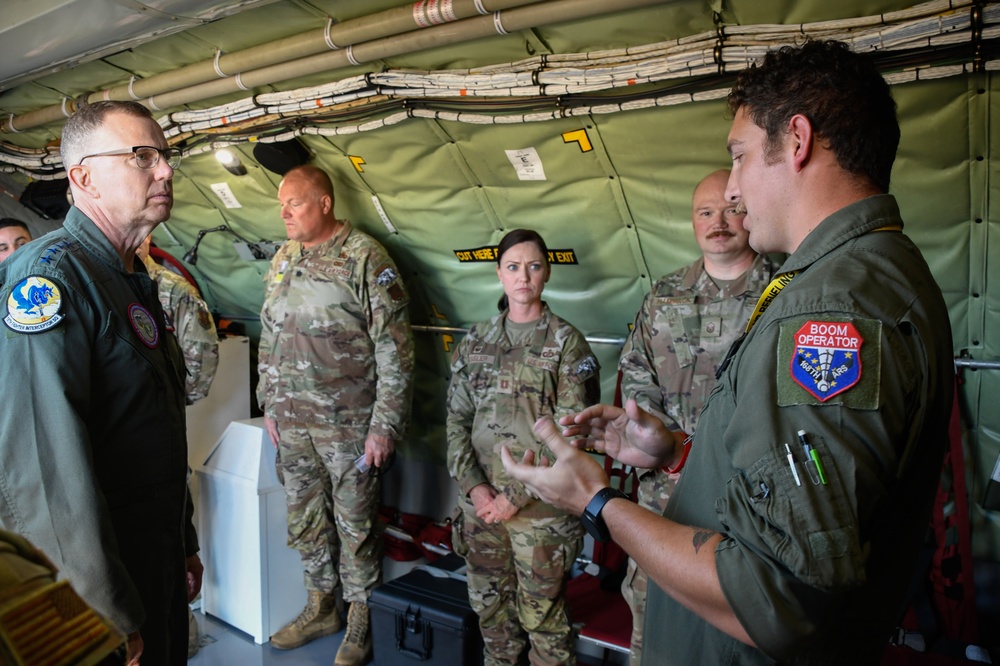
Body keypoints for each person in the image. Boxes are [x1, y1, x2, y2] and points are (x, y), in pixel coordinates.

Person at [502, 39, 954, 665]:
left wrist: (597, 501)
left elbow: (775, 595)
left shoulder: (828, 312)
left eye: (739, 157)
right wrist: (679, 452)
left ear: (797, 140)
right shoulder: (872, 273)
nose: (734, 193)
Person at [0, 100, 202, 666]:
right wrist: (98, 611)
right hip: (98, 585)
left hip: (151, 558)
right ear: (82, 176)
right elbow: (43, 467)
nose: (163, 170)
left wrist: (183, 542)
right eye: (141, 156)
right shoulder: (49, 280)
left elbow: (153, 426)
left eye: (164, 155)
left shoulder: (127, 275)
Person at [257, 164, 415, 665]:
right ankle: (321, 605)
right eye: (281, 204)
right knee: (305, 520)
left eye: (295, 204)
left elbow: (396, 352)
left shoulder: (365, 258)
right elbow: (270, 332)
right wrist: (269, 403)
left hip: (348, 426)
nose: (284, 214)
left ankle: (360, 617)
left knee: (355, 525)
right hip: (292, 421)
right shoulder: (284, 257)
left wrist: (384, 426)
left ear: (324, 203)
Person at [618, 169, 776, 665]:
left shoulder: (786, 288)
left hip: (750, 502)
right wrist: (662, 439)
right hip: (668, 496)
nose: (719, 222)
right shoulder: (665, 294)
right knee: (653, 623)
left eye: (730, 209)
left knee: (737, 635)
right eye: (705, 212)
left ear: (749, 211)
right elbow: (636, 372)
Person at [446, 228, 601, 666]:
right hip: (481, 511)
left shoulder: (567, 345)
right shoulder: (476, 341)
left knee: (544, 624)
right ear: (499, 274)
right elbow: (456, 421)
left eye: (533, 266)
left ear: (546, 273)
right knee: (492, 618)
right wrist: (477, 490)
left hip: (541, 515)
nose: (523, 276)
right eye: (513, 267)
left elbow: (572, 436)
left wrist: (513, 498)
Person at [137, 234, 219, 404]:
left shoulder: (176, 290)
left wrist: (178, 397)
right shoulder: (101, 283)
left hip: (160, 404)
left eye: (140, 232)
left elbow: (201, 350)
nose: (134, 241)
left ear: (149, 236)